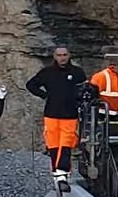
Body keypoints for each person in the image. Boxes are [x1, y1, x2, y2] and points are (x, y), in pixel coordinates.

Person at [26, 45, 88, 178]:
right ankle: (57, 172)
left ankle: (62, 171)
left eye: (64, 55)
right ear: (54, 57)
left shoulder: (77, 72)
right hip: (51, 113)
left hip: (70, 114)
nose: (62, 58)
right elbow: (31, 85)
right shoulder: (47, 72)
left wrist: (79, 102)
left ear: (69, 55)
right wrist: (44, 95)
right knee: (53, 144)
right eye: (59, 55)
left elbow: (85, 89)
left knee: (66, 143)